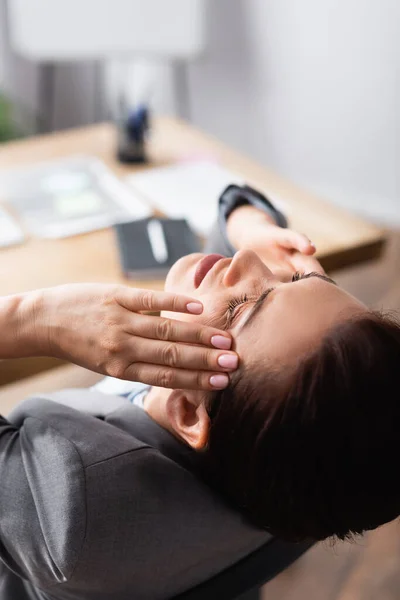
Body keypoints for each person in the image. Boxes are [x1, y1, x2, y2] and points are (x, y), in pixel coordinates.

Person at [0, 185, 399, 600]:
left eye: (239, 306)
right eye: (298, 279)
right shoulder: (310, 470)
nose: (246, 258)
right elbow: (241, 251)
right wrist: (249, 222)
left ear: (189, 414)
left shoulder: (71, 502)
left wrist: (33, 318)